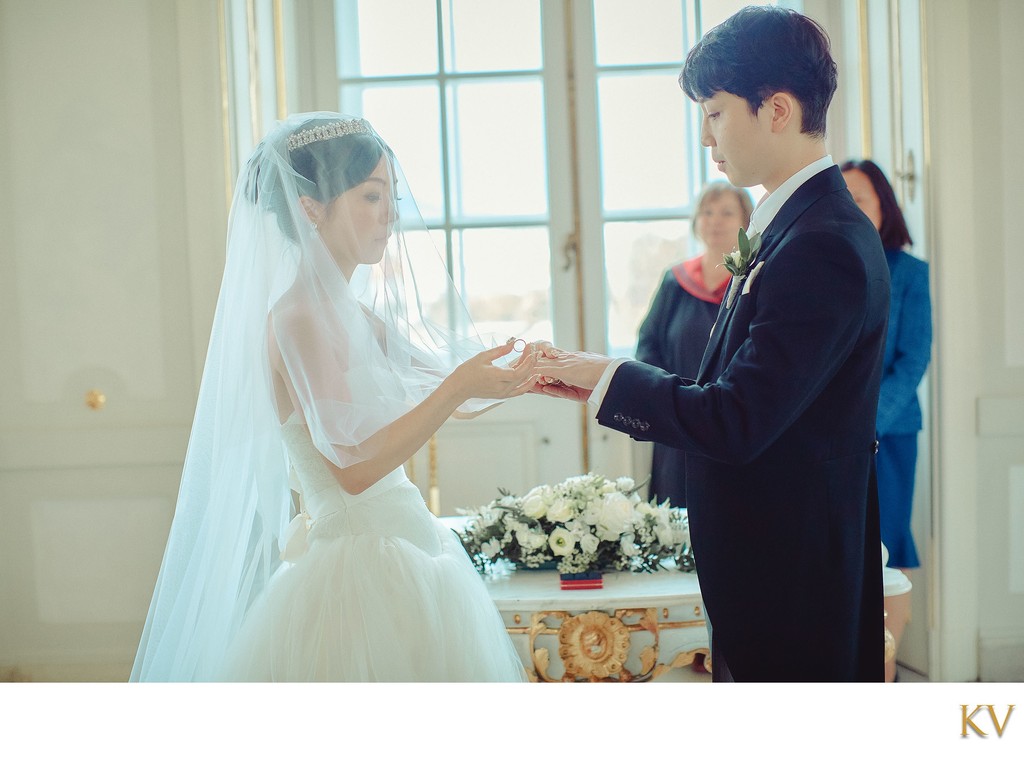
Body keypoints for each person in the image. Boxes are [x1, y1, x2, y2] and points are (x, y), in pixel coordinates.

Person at [533, 6, 888, 681]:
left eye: (716, 112)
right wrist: (598, 380)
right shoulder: (798, 228)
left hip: (793, 580)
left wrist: (607, 376)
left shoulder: (823, 246)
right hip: (773, 568)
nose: (705, 137)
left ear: (776, 109)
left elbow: (736, 418)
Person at [130, 113, 535, 682]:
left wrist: (533, 372)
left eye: (390, 196)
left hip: (405, 546)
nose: (390, 214)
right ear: (311, 207)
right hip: (359, 573)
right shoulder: (299, 318)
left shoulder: (350, 311)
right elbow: (354, 467)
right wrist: (460, 385)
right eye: (372, 196)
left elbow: (455, 389)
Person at [841, 158, 932, 681]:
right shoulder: (830, 263)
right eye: (844, 198)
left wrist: (867, 421)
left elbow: (913, 358)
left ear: (884, 207)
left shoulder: (910, 273)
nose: (851, 207)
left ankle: (888, 674)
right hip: (830, 437)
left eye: (862, 198)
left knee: (889, 541)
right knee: (845, 548)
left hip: (889, 434)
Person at [636, 181, 753, 508]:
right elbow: (648, 345)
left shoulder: (753, 281)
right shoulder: (675, 280)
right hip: (678, 419)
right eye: (707, 212)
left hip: (732, 420)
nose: (715, 220)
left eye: (727, 213)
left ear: (746, 220)